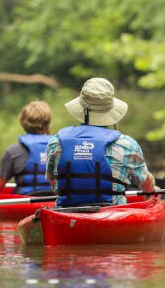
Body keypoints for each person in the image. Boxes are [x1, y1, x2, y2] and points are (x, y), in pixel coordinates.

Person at [44, 77, 156, 206]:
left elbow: (54, 184)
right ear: (110, 109)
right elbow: (146, 187)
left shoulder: (56, 142)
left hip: (65, 213)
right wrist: (153, 188)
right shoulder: (127, 145)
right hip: (114, 214)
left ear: (81, 107)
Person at [0, 100, 54, 194]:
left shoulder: (14, 151)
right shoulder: (61, 147)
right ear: (48, 122)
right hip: (55, 204)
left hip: (25, 204)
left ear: (23, 122)